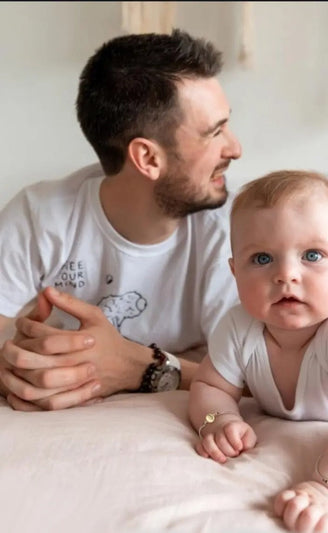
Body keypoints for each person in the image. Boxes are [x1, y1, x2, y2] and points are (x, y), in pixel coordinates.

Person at [0, 29, 242, 411]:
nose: (235, 148)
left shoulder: (238, 231)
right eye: (214, 133)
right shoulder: (40, 215)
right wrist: (16, 364)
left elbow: (264, 382)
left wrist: (136, 367)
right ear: (147, 158)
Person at [188, 170, 328, 532]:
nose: (286, 274)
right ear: (235, 271)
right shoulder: (237, 326)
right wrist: (218, 420)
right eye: (261, 259)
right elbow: (210, 388)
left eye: (312, 255)